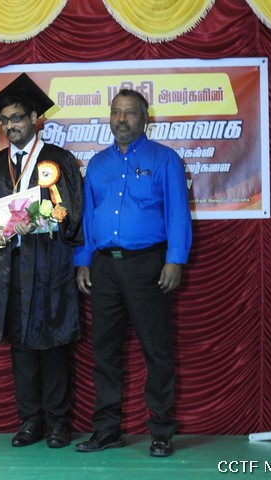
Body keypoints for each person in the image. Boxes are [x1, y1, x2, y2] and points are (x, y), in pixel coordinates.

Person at [73, 89, 192, 457]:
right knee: (105, 352)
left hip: (148, 266)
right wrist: (82, 260)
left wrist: (175, 259)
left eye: (129, 113)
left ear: (145, 118)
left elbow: (177, 212)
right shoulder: (97, 164)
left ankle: (161, 431)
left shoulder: (165, 159)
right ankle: (107, 431)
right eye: (116, 112)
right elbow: (87, 217)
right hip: (104, 266)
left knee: (156, 350)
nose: (121, 119)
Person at [0, 73, 84, 449]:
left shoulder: (58, 160)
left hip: (49, 265)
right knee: (21, 347)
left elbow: (73, 213)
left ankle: (58, 422)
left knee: (54, 346)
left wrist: (44, 217)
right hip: (11, 269)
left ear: (34, 117)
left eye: (17, 117)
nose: (10, 126)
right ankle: (30, 421)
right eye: (4, 120)